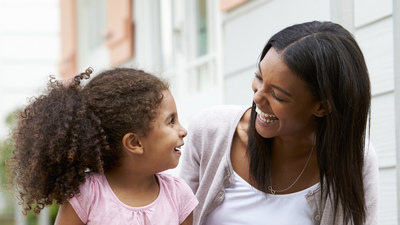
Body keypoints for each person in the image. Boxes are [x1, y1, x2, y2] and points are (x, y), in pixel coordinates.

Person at [180, 21, 378, 225]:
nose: (258, 98)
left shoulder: (355, 157)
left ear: (322, 107)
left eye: (277, 95)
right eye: (259, 77)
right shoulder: (209, 131)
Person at [8, 67, 198, 224]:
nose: (183, 130)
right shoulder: (86, 195)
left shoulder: (179, 195)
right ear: (135, 143)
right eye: (171, 121)